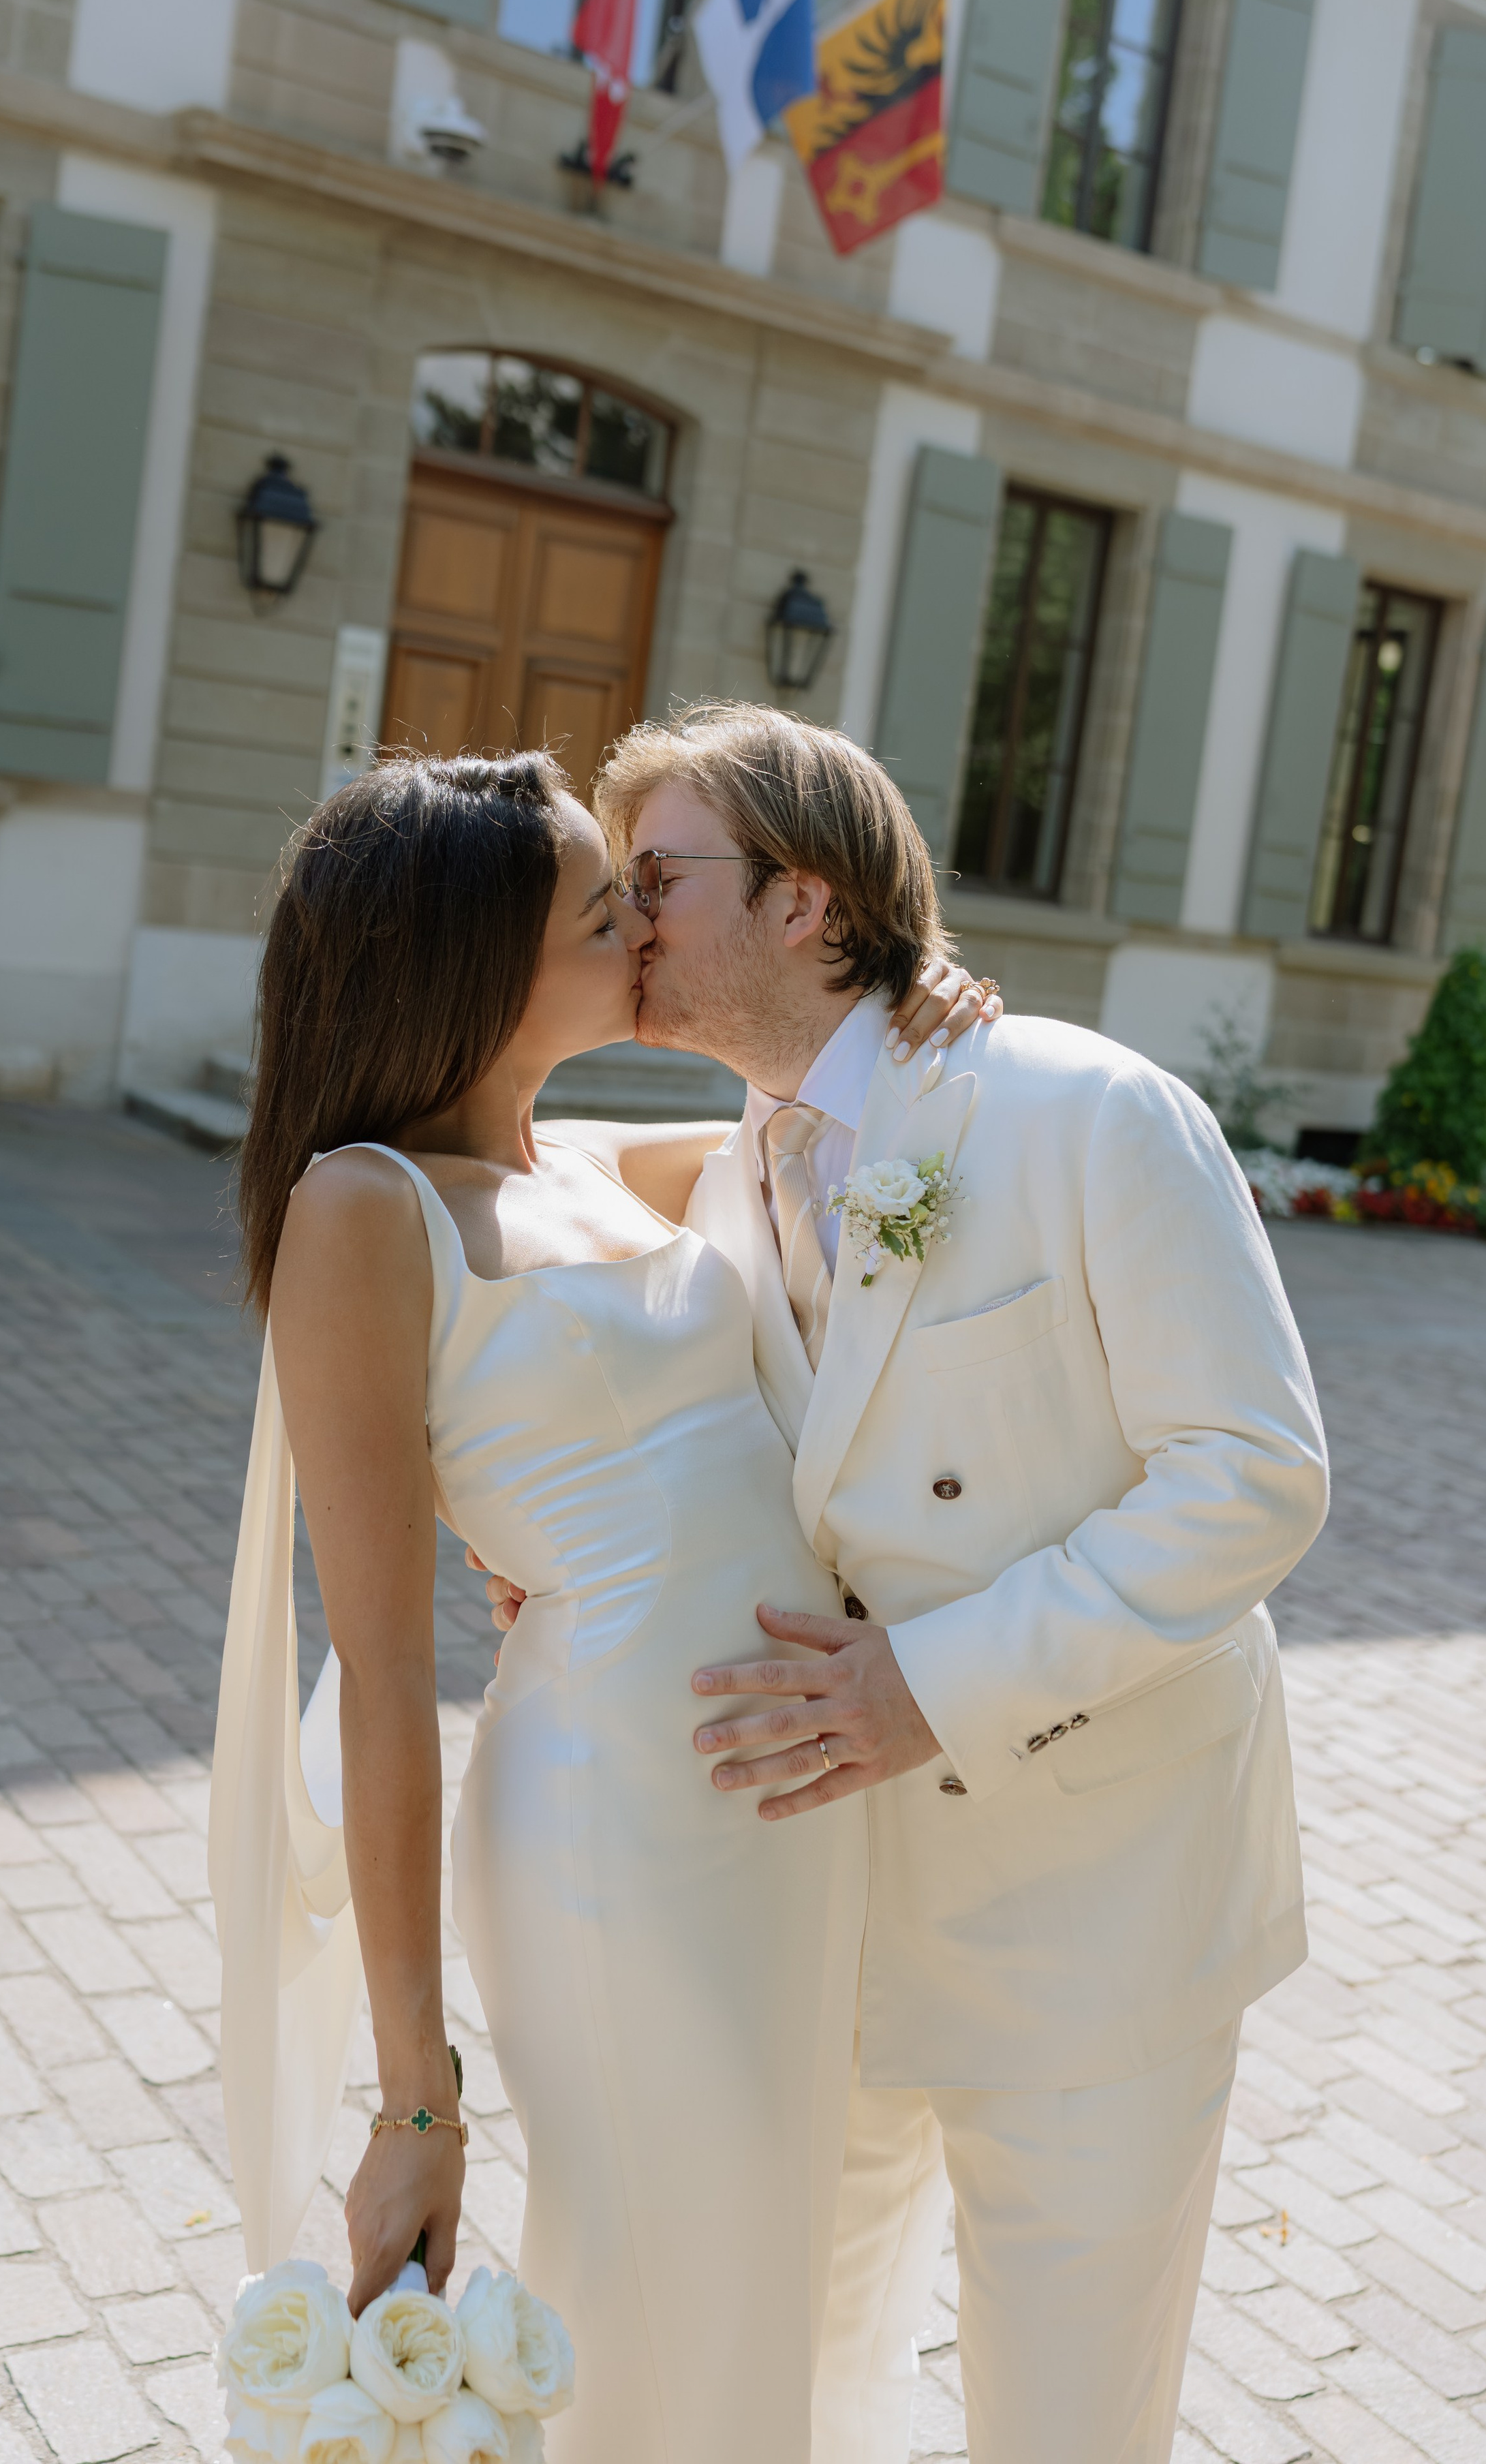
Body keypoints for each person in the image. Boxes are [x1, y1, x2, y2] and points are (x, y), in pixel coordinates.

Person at [495, 703, 1329, 2464]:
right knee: (799, 2399)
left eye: (658, 879)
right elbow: (479, 1178)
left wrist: (924, 1685)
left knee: (1065, 2431)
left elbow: (1255, 1478)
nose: (626, 920)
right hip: (832, 1931)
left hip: (1105, 1922)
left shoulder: (1092, 1113)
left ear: (807, 904)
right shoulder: (727, 1177)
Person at [206, 750, 997, 2464]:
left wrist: (917, 989)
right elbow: (385, 1672)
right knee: (660, 2275)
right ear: (476, 959)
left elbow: (836, 1113)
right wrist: (417, 2092)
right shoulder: (367, 1209)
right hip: (613, 1827)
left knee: (759, 2275)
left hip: (788, 1809)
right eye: (601, 905)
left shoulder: (590, 1158)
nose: (643, 923)